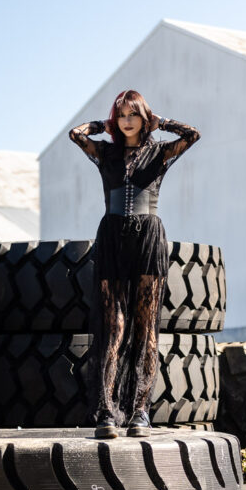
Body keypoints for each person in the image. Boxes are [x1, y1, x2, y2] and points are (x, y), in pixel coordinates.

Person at [69, 90, 200, 438]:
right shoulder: (106, 152)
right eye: (121, 114)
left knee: (146, 330)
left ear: (144, 118)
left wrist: (163, 122)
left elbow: (192, 135)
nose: (127, 120)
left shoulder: (159, 152)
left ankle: (141, 411)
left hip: (149, 238)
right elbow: (76, 134)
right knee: (113, 328)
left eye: (134, 114)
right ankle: (106, 413)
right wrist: (103, 124)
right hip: (112, 235)